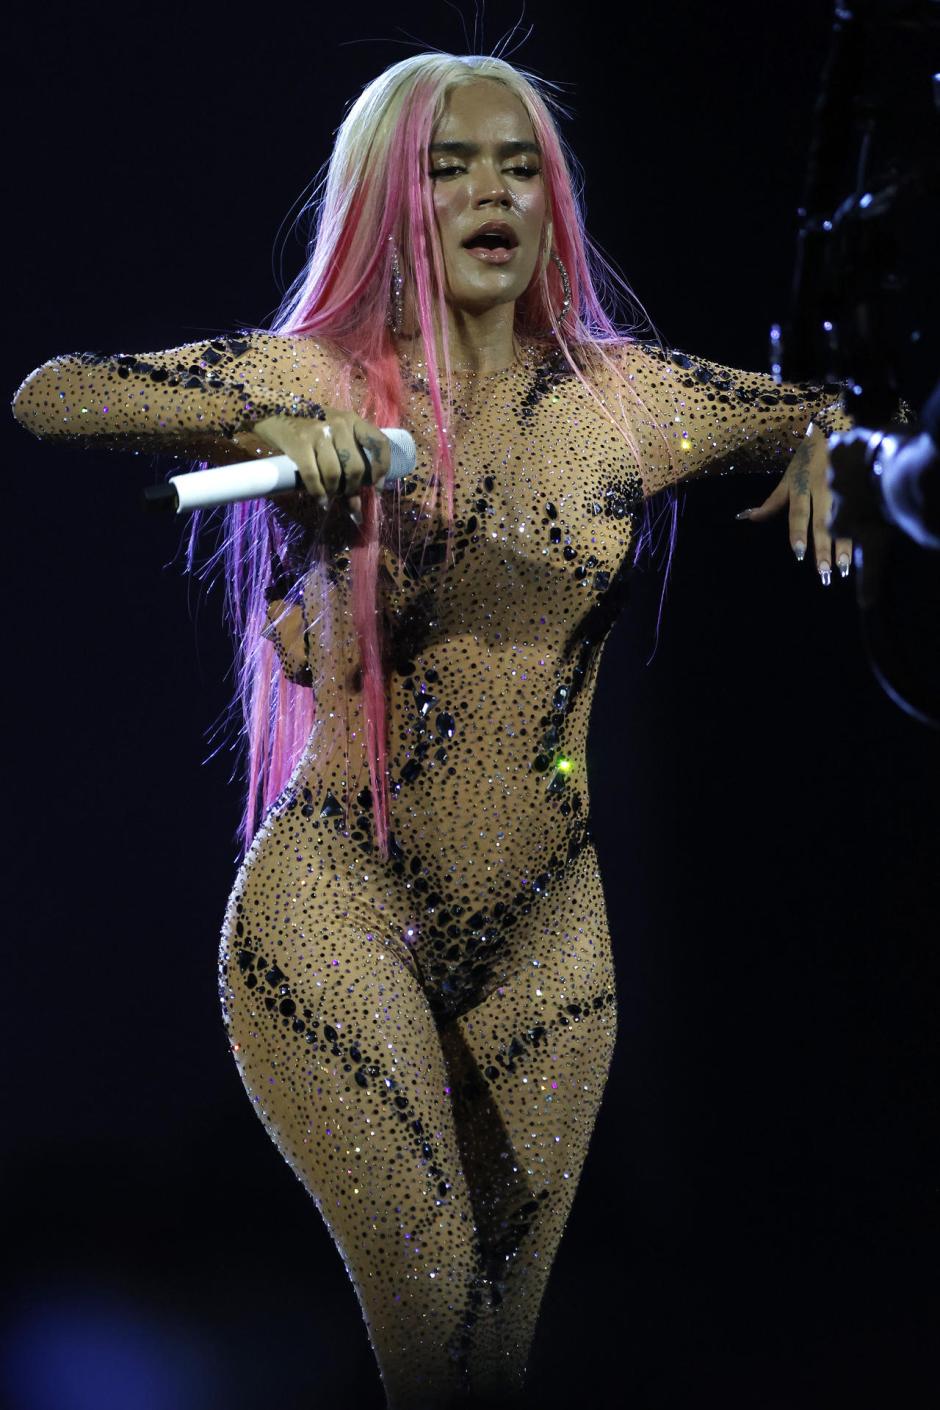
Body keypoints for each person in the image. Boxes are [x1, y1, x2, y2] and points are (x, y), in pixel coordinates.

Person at [10, 51, 855, 1410]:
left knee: (491, 1371)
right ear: (392, 197)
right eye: (450, 166)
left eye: (516, 165)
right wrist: (267, 410)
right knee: (437, 1340)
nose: (489, 193)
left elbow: (819, 412)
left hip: (549, 935)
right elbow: (54, 391)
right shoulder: (329, 375)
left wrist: (821, 443)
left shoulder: (627, 402)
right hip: (339, 910)